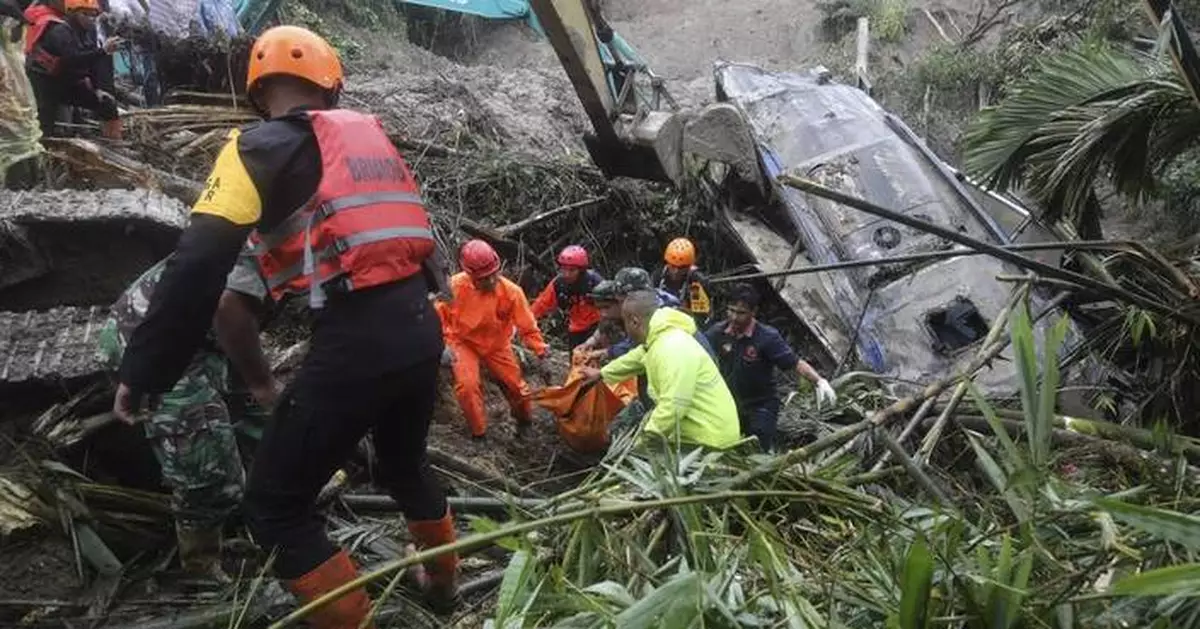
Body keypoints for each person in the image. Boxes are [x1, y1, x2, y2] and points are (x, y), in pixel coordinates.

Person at [110, 25, 457, 626]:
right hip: (421, 331)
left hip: (355, 347)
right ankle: (443, 585)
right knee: (406, 466)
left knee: (273, 508)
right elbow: (425, 250)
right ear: (332, 86)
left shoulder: (252, 149)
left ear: (258, 88)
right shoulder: (371, 141)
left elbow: (197, 265)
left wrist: (145, 369)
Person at [96, 253, 276, 582]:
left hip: (203, 338)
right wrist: (262, 382)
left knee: (257, 420)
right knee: (207, 469)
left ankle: (264, 499)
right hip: (152, 346)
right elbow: (227, 305)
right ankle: (201, 565)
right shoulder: (272, 240)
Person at [582, 290, 740, 450]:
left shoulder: (672, 348)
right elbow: (638, 356)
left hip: (707, 439)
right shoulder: (659, 337)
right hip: (695, 429)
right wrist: (602, 374)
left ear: (634, 322)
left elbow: (672, 407)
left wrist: (640, 443)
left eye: (625, 322)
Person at [437, 239, 550, 440]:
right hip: (463, 342)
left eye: (492, 275)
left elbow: (527, 326)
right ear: (469, 274)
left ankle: (524, 421)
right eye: (483, 278)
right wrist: (440, 345)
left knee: (516, 386)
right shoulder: (454, 287)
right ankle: (479, 433)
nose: (489, 281)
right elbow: (437, 317)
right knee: (467, 387)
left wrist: (541, 351)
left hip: (497, 344)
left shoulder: (512, 292)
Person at [705, 284, 837, 452]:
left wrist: (819, 381)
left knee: (758, 448)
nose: (734, 317)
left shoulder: (767, 337)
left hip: (761, 405)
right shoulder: (717, 333)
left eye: (741, 313)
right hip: (729, 402)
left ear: (754, 312)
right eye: (731, 310)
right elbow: (697, 351)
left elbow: (794, 362)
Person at [23, 0, 124, 139]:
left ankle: (114, 142)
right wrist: (103, 51)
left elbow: (90, 63)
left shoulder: (87, 32)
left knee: (107, 105)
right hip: (45, 83)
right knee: (45, 125)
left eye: (93, 15)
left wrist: (96, 89)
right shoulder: (59, 29)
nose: (90, 19)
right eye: (85, 14)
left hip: (67, 83)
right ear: (73, 13)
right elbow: (72, 59)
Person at [531, 245, 604, 350]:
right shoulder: (558, 284)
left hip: (596, 326)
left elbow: (612, 306)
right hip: (575, 329)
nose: (567, 274)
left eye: (572, 270)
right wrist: (521, 324)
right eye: (563, 270)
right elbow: (540, 305)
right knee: (576, 361)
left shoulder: (594, 282)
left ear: (581, 270)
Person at [657, 237, 714, 326]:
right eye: (673, 266)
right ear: (667, 262)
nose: (676, 272)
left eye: (682, 268)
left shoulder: (695, 283)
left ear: (689, 266)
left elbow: (700, 317)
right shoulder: (659, 276)